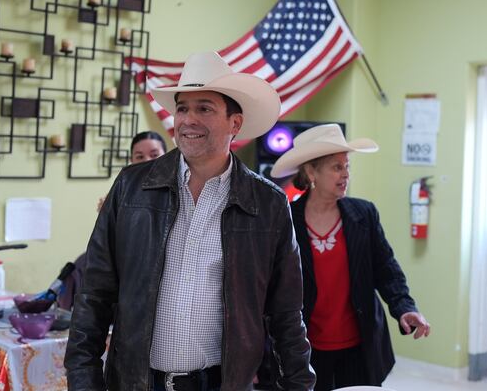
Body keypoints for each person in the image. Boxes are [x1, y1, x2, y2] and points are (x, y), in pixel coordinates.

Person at [65, 52, 316, 391]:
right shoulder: (130, 186)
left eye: (205, 108)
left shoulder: (268, 204)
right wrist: (84, 382)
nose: (188, 119)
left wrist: (298, 385)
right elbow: (94, 295)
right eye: (182, 108)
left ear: (235, 123)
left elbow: (286, 313)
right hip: (136, 382)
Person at [270, 124, 431, 390]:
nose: (346, 175)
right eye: (336, 167)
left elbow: (386, 269)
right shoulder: (285, 220)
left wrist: (405, 308)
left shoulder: (364, 214)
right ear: (311, 172)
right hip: (305, 348)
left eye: (347, 166)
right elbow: (272, 288)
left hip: (360, 346)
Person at [96, 131, 168, 211]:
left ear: (167, 156)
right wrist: (108, 213)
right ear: (132, 160)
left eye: (154, 155)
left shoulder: (179, 187)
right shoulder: (122, 191)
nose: (147, 161)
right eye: (140, 157)